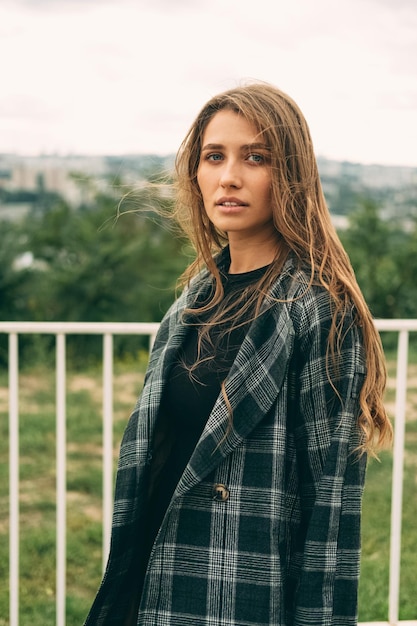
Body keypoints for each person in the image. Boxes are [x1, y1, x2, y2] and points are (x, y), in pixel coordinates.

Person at [84, 82, 392, 626]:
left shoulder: (319, 309)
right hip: (157, 586)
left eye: (256, 157)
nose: (230, 176)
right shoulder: (195, 298)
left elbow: (331, 511)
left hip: (240, 594)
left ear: (290, 174)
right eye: (214, 156)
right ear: (195, 175)